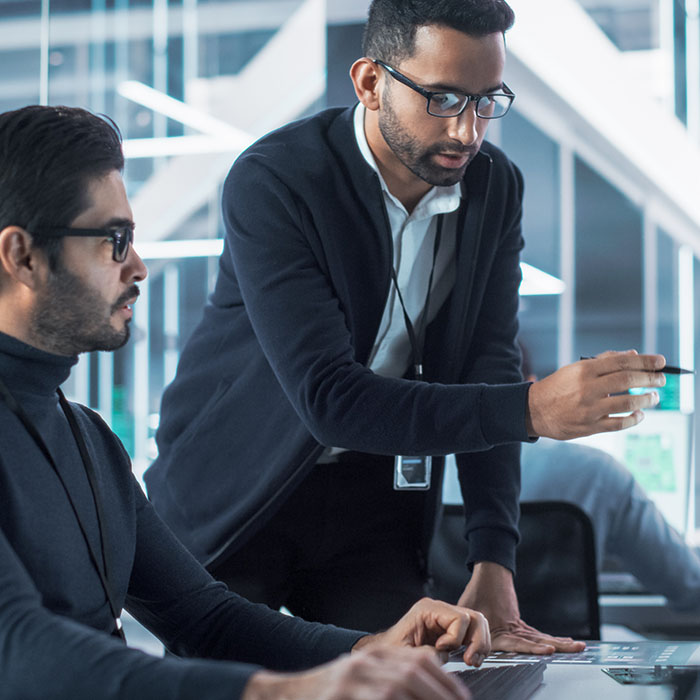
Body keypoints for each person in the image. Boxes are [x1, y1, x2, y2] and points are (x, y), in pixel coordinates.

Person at [145, 0, 665, 652]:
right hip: (237, 494)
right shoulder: (277, 179)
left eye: (487, 100)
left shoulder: (493, 188)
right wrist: (533, 410)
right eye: (444, 99)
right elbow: (329, 400)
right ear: (370, 82)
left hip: (372, 504)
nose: (469, 131)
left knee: (408, 679)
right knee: (243, 685)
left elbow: (489, 363)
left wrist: (493, 560)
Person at [0, 103, 493, 700]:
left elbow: (204, 617)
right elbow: (18, 649)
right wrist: (283, 693)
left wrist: (369, 649)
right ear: (21, 255)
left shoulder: (88, 439)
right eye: (115, 240)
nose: (138, 266)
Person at [518, 350, 700, 612]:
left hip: (458, 648)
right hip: (569, 647)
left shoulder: (438, 470)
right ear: (536, 385)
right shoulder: (597, 472)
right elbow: (688, 583)